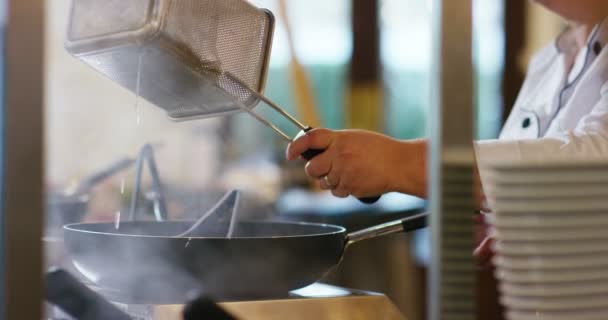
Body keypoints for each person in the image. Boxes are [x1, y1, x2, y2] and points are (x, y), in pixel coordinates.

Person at [286, 1, 608, 317]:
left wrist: (400, 161)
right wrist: (506, 220)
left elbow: (597, 160)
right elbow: (543, 187)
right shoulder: (550, 61)